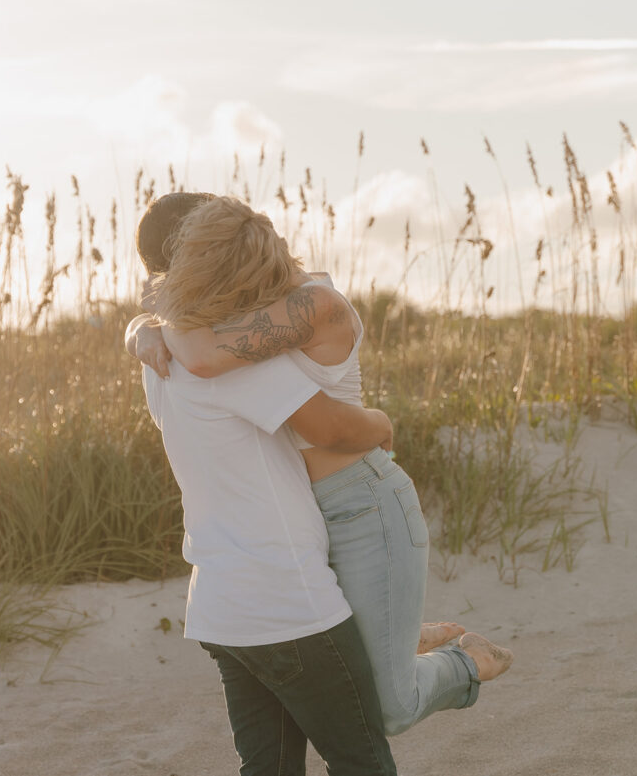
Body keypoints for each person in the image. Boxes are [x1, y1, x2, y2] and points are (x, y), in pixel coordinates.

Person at [131, 193, 513, 740]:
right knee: (341, 673)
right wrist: (141, 327)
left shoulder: (315, 304)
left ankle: (469, 661)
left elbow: (202, 358)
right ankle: (395, 635)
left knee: (387, 710)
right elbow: (197, 340)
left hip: (362, 504)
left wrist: (154, 326)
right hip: (304, 516)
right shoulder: (242, 313)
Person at [125, 193, 399, 775]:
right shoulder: (235, 361)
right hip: (285, 596)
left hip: (220, 606)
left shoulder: (159, 358)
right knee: (362, 761)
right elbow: (329, 426)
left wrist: (140, 326)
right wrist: (382, 424)